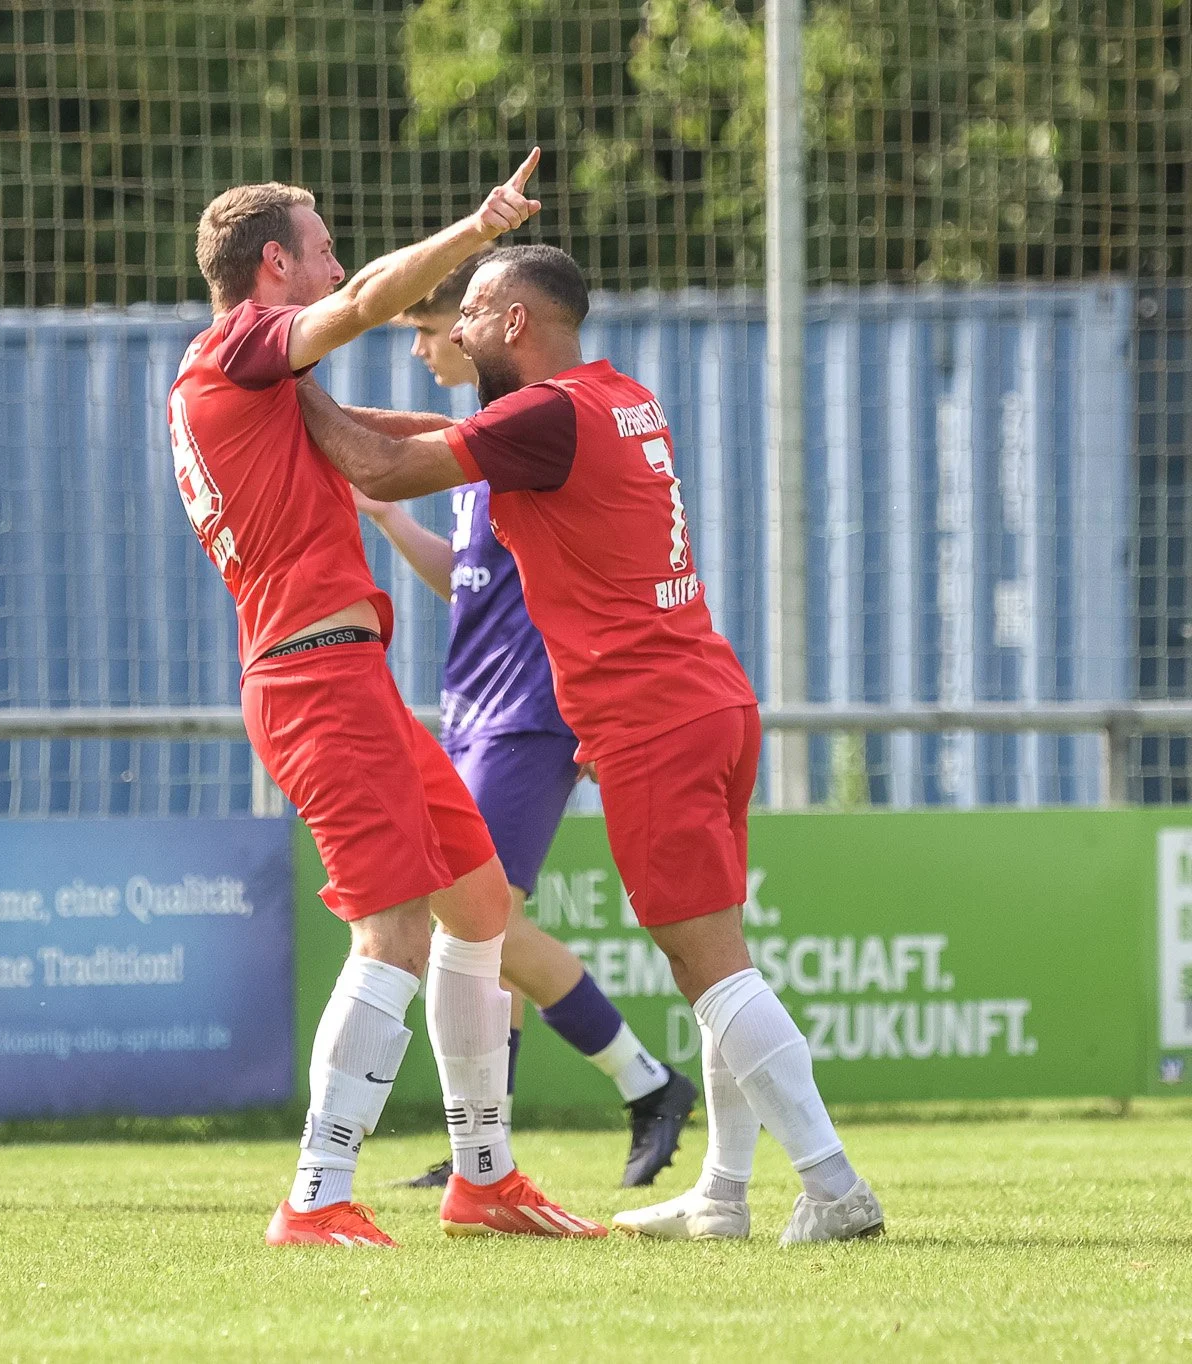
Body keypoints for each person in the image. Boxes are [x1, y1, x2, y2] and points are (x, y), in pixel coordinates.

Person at [296, 244, 884, 1245]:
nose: (454, 332)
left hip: (650, 716)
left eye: (469, 313)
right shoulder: (611, 397)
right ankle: (723, 1191)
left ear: (514, 321)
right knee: (712, 959)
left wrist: (286, 378)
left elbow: (385, 463)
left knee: (711, 971)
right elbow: (436, 434)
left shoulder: (542, 416)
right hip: (707, 697)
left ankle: (833, 1185)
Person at [172, 150, 605, 1247]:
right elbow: (370, 303)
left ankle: (483, 1178)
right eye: (319, 245)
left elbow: (391, 441)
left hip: (342, 673)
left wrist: (553, 437)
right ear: (272, 263)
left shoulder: (261, 380)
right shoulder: (235, 347)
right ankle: (316, 1193)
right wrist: (475, 230)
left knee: (478, 908)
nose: (339, 263)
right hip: (311, 675)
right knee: (392, 926)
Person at [358, 257, 697, 1191]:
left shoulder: (533, 431)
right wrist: (390, 524)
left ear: (497, 325)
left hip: (526, 714)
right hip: (474, 707)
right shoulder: (479, 448)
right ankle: (484, 1149)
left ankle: (645, 1079)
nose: (433, 345)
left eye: (436, 328)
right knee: (481, 931)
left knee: (480, 918)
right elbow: (467, 584)